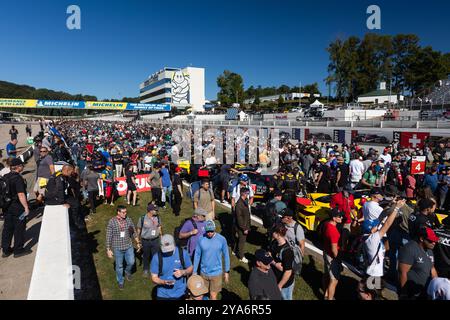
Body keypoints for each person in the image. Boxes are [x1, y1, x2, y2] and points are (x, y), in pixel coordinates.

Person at [361, 199, 406, 283]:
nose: (376, 226)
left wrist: (389, 205)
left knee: (372, 292)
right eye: (374, 226)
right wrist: (396, 208)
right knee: (371, 293)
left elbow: (380, 222)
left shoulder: (367, 237)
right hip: (373, 275)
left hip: (372, 271)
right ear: (371, 230)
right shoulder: (372, 239)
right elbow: (387, 224)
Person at [1, 158, 32, 258]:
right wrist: (26, 207)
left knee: (7, 228)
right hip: (17, 208)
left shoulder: (5, 176)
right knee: (19, 228)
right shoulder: (18, 178)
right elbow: (21, 194)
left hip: (6, 207)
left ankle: (5, 250)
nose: (23, 167)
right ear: (18, 167)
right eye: (22, 165)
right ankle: (18, 250)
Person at [193, 220, 230, 300]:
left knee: (213, 296)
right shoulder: (201, 239)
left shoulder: (222, 239)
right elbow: (197, 255)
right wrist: (194, 271)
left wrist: (226, 271)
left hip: (216, 273)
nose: (209, 233)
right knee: (202, 295)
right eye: (208, 231)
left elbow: (226, 255)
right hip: (203, 273)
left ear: (215, 229)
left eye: (211, 231)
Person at [398, 227, 439, 300]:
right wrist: (404, 294)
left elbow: (432, 268)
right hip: (412, 294)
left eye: (434, 240)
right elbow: (402, 272)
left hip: (425, 292)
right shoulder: (409, 249)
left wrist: (438, 285)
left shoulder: (429, 250)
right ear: (422, 239)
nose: (433, 243)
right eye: (430, 240)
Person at [106, 205, 139, 290]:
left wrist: (137, 242)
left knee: (131, 262)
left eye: (126, 212)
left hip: (128, 246)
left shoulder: (128, 219)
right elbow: (109, 235)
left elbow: (133, 231)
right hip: (118, 248)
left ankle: (127, 272)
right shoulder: (112, 222)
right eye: (123, 212)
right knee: (119, 266)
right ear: (118, 212)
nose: (125, 213)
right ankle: (120, 281)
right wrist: (108, 249)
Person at [151, 234, 193, 300]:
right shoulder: (156, 257)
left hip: (180, 293)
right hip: (163, 295)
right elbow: (154, 278)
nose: (168, 252)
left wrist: (183, 272)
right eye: (165, 250)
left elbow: (190, 268)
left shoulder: (183, 253)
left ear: (174, 244)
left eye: (170, 249)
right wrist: (163, 282)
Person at [45, 164, 83, 229]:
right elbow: (60, 190)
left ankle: (75, 220)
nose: (71, 174)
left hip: (54, 197)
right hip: (52, 199)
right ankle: (75, 222)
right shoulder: (59, 178)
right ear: (67, 171)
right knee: (75, 203)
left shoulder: (60, 174)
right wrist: (62, 202)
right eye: (71, 172)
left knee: (74, 201)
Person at [322, 208, 344, 300]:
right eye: (339, 217)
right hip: (332, 256)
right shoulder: (333, 231)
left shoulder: (327, 224)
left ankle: (326, 294)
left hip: (326, 252)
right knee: (334, 280)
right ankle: (329, 298)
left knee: (327, 274)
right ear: (334, 218)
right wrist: (338, 261)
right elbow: (334, 250)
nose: (342, 218)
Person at [269, 223, 295, 300]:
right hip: (275, 278)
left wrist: (279, 286)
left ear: (278, 234)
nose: (271, 233)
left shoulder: (287, 252)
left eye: (272, 232)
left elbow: (288, 272)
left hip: (285, 284)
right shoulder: (274, 243)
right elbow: (269, 254)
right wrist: (275, 264)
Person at [137, 203, 162, 278]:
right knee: (146, 255)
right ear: (150, 210)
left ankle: (156, 270)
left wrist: (161, 236)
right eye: (155, 210)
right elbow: (139, 228)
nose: (156, 211)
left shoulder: (157, 217)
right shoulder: (142, 218)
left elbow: (159, 226)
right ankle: (145, 269)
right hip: (145, 241)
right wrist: (138, 239)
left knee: (156, 256)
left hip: (155, 240)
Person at [233, 187, 251, 263]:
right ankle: (241, 256)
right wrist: (244, 228)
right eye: (247, 193)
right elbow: (239, 218)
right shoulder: (239, 204)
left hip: (244, 224)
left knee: (239, 239)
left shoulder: (245, 200)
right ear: (243, 193)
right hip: (242, 226)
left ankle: (234, 251)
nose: (248, 195)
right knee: (242, 241)